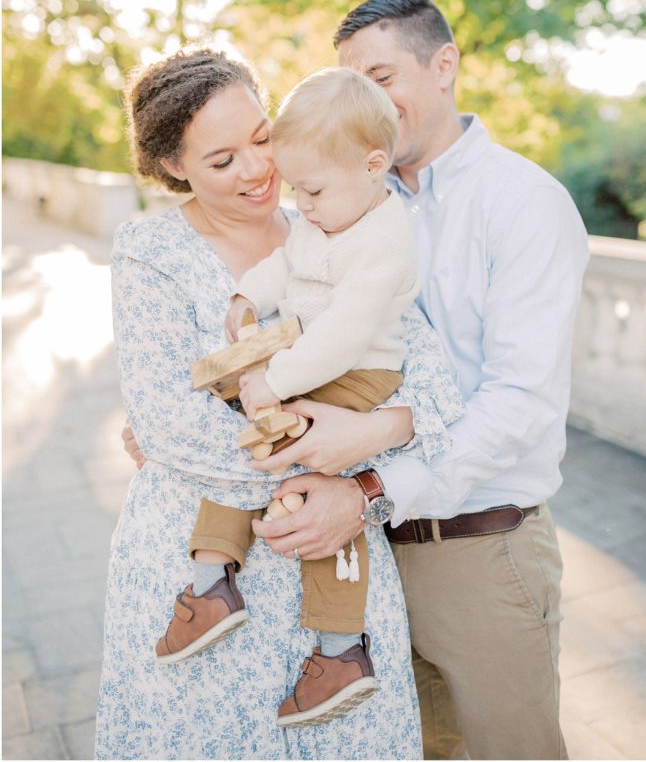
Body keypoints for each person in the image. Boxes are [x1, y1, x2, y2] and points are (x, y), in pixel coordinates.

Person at [243, 0, 589, 761]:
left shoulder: (524, 204)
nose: (366, 100)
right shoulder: (341, 202)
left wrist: (369, 483)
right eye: (350, 82)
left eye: (382, 75)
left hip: (480, 553)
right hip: (374, 558)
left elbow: (520, 406)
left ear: (444, 65)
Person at [96, 46, 463, 760]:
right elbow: (171, 426)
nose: (259, 170)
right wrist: (318, 472)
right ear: (174, 167)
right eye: (222, 159)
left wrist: (360, 468)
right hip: (196, 564)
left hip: (336, 544)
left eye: (261, 138)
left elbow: (435, 393)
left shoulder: (335, 223)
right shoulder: (149, 254)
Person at [156, 66, 425, 730]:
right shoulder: (328, 211)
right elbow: (289, 262)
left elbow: (342, 336)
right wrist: (249, 293)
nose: (299, 205)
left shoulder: (386, 241)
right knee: (244, 436)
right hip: (304, 355)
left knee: (302, 473)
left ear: (372, 165)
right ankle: (213, 578)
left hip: (356, 375)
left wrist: (272, 384)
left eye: (311, 190)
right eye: (296, 189)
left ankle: (339, 649)